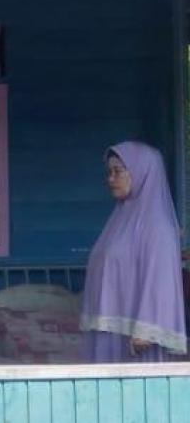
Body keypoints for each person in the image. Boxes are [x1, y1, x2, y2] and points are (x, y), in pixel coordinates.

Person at [80, 141, 187, 363]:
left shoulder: (157, 226)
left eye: (118, 171)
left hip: (135, 340)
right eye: (109, 172)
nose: (111, 179)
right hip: (110, 331)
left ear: (141, 173)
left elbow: (162, 279)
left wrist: (147, 328)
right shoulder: (120, 221)